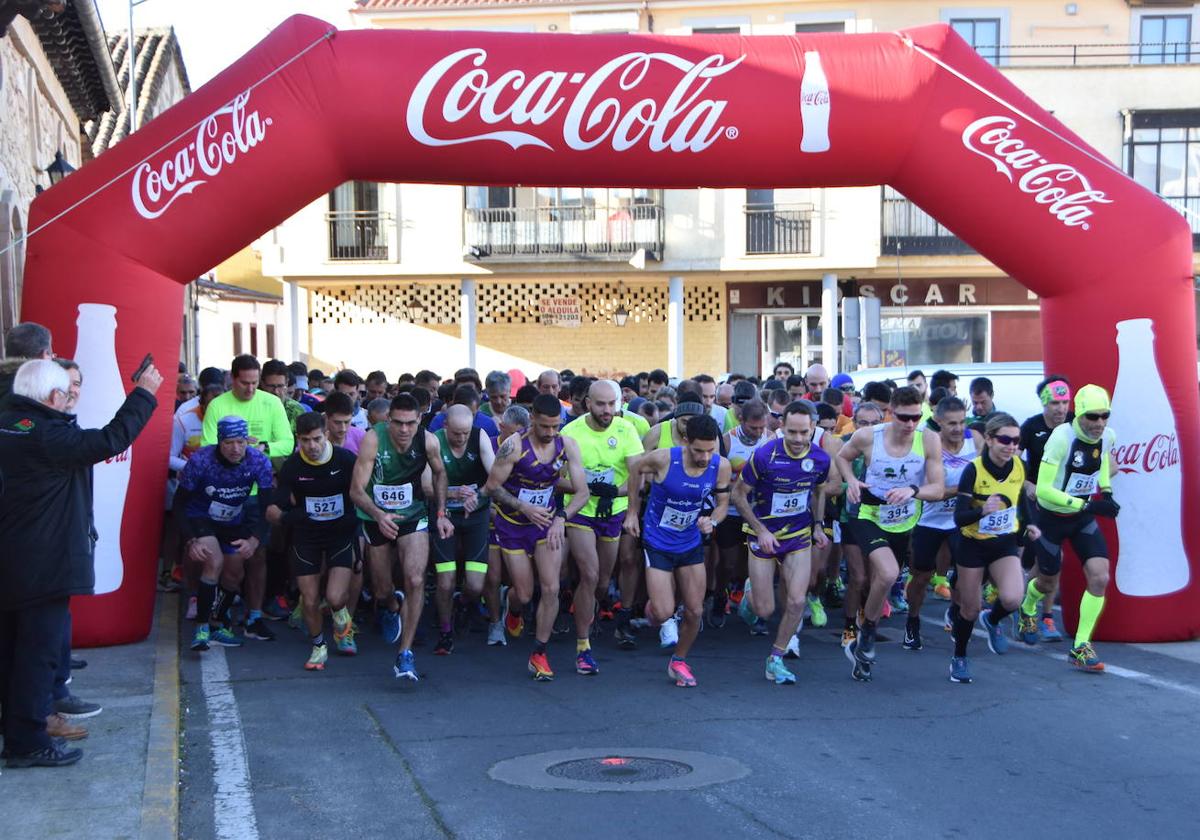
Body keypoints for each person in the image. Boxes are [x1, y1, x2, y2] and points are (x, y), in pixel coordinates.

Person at [0, 358, 161, 768]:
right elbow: (111, 440)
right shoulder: (47, 435)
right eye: (68, 392)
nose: (72, 397)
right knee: (38, 655)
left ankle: (17, 730)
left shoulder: (9, 424)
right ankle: (28, 741)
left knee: (13, 652)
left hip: (13, 559)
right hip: (45, 563)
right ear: (54, 396)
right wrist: (143, 394)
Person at [836, 386, 945, 682]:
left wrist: (913, 490)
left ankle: (865, 633)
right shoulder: (869, 436)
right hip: (868, 513)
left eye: (916, 417)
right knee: (887, 573)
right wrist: (852, 482)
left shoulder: (929, 440)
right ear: (891, 413)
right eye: (904, 418)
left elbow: (938, 488)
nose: (910, 424)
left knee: (884, 579)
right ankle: (869, 633)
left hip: (904, 520)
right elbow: (843, 458)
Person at [484, 394, 589, 681]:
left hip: (546, 524)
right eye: (545, 427)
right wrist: (523, 507)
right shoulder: (513, 446)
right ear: (532, 420)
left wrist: (561, 518)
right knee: (526, 593)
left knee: (552, 588)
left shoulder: (567, 445)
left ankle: (539, 653)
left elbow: (582, 492)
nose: (551, 433)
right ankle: (513, 604)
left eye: (556, 426)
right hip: (512, 525)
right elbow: (493, 487)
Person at [350, 393, 454, 681]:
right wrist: (379, 515)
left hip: (412, 514)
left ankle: (405, 654)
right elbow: (356, 490)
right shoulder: (373, 439)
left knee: (416, 578)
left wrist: (442, 512)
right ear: (388, 420)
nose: (404, 429)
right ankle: (391, 604)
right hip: (375, 516)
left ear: (419, 420)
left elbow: (440, 473)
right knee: (382, 588)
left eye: (410, 423)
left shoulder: (428, 440)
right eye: (398, 423)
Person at [732, 400, 834, 685]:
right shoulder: (765, 455)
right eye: (792, 432)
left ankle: (775, 659)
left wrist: (818, 526)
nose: (799, 439)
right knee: (764, 610)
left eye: (804, 432)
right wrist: (760, 530)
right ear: (782, 428)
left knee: (797, 600)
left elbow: (819, 492)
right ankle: (750, 593)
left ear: (813, 428)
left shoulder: (821, 458)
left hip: (799, 535)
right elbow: (739, 496)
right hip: (763, 534)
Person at [625, 414, 730, 687]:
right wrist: (633, 512)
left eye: (711, 450)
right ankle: (655, 608)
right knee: (662, 613)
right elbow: (635, 467)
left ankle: (679, 660)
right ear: (685, 441)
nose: (705, 457)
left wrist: (713, 520)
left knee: (695, 611)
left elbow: (722, 504)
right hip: (658, 540)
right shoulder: (663, 459)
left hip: (690, 541)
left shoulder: (721, 466)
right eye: (698, 450)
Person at [1022, 385, 1118, 672]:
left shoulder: (1107, 436)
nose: (1100, 423)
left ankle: (1080, 645)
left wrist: (1108, 492)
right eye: (1093, 417)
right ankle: (1028, 607)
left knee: (1100, 577)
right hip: (1051, 518)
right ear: (1080, 414)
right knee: (1047, 582)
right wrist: (1087, 505)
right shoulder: (1061, 438)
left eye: (1105, 416)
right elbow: (1043, 491)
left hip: (1080, 519)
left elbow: (1100, 464)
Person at [201, 355, 293, 642]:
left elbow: (287, 443)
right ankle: (221, 615)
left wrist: (262, 447)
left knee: (258, 556)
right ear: (232, 378)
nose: (251, 389)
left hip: (258, 493)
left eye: (255, 383)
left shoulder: (272, 403)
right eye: (245, 383)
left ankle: (254, 616)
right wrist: (238, 451)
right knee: (229, 562)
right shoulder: (218, 405)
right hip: (226, 495)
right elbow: (207, 447)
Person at [561, 380, 643, 675]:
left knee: (602, 581)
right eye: (600, 404)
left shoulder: (627, 430)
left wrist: (626, 504)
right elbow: (555, 478)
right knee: (590, 573)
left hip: (614, 511)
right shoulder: (570, 433)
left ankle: (586, 606)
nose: (607, 410)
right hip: (581, 511)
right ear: (587, 403)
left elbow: (637, 476)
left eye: (612, 404)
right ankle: (583, 647)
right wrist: (587, 489)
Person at [266, 412, 360, 671]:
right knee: (309, 599)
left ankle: (342, 618)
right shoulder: (293, 466)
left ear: (327, 435)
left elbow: (362, 494)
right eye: (306, 440)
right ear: (298, 440)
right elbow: (277, 505)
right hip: (306, 535)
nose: (312, 446)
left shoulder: (346, 460)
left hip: (340, 533)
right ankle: (319, 646)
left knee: (334, 596)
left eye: (317, 439)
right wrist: (281, 514)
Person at [948, 413, 1038, 684]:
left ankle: (994, 619)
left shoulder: (1019, 466)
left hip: (1003, 543)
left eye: (1016, 441)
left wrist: (1029, 526)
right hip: (972, 545)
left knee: (1012, 599)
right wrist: (982, 511)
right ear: (988, 439)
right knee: (969, 609)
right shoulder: (973, 470)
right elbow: (959, 517)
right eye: (1005, 440)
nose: (1011, 446)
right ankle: (959, 656)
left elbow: (1021, 501)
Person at [177, 417, 275, 652]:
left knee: (234, 572)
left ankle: (216, 623)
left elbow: (267, 508)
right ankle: (201, 628)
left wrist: (255, 540)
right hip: (201, 516)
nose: (235, 449)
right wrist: (190, 539)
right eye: (229, 443)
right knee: (214, 561)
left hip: (233, 520)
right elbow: (179, 504)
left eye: (240, 442)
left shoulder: (258, 461)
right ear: (220, 442)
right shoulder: (201, 460)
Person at [904, 397, 981, 652]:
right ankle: (912, 620)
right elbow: (932, 490)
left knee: (964, 576)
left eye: (962, 422)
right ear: (939, 422)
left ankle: (956, 614)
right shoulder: (929, 444)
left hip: (961, 521)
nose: (958, 428)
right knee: (922, 575)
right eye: (951, 424)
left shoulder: (975, 440)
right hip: (930, 519)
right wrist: (963, 490)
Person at [430, 405, 495, 656]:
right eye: (456, 433)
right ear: (445, 426)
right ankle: (445, 631)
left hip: (475, 516)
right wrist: (453, 493)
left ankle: (464, 602)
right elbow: (427, 485)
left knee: (476, 586)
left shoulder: (479, 437)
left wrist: (479, 495)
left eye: (465, 433)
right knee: (445, 582)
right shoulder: (434, 440)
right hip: (444, 515)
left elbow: (494, 474)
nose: (461, 438)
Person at [1016, 375, 1072, 642]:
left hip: (1065, 499)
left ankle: (1039, 613)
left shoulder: (1076, 423)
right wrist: (1027, 483)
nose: (1061, 408)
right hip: (1037, 499)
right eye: (1055, 403)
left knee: (1049, 561)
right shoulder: (1031, 427)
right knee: (1050, 559)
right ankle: (1032, 614)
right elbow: (1013, 462)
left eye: (1065, 402)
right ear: (1044, 404)